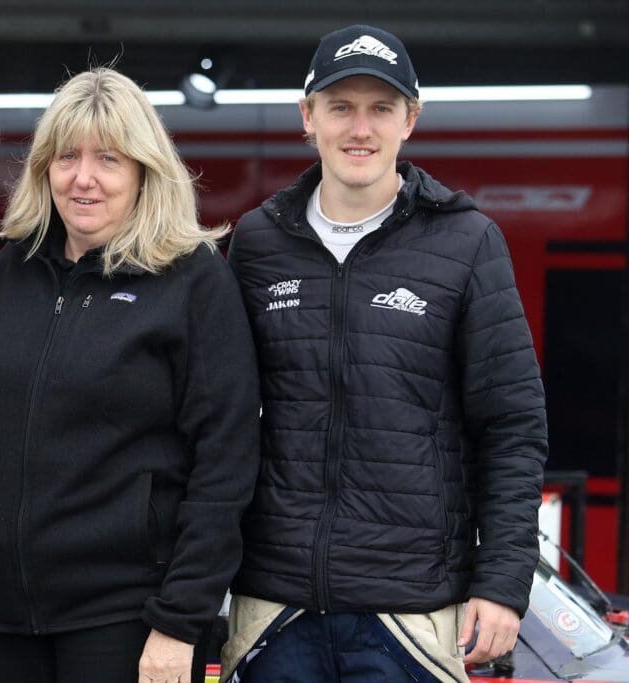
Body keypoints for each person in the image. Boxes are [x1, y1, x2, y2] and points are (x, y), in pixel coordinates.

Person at [222, 25, 548, 683]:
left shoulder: (467, 242)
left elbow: (512, 427)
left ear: (411, 120)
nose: (360, 127)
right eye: (341, 106)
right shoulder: (256, 244)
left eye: (381, 107)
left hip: (413, 618)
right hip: (274, 610)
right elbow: (215, 418)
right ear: (308, 117)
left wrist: (504, 582)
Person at [0, 67, 261, 683]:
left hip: (127, 617)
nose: (83, 178)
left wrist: (180, 620)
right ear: (43, 167)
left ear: (145, 171)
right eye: (66, 156)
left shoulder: (194, 281)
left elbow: (226, 463)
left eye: (109, 160)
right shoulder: (4, 275)